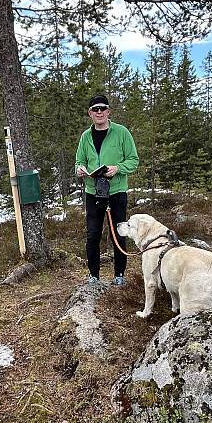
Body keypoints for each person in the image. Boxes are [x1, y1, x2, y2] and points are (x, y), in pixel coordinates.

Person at [74, 94, 139, 284]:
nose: (99, 112)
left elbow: (133, 160)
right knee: (93, 235)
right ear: (90, 113)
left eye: (103, 108)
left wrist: (118, 168)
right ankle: (93, 275)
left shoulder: (122, 133)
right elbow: (79, 161)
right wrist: (80, 169)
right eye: (95, 109)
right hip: (93, 192)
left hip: (116, 192)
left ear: (108, 111)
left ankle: (119, 275)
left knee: (118, 233)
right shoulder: (85, 137)